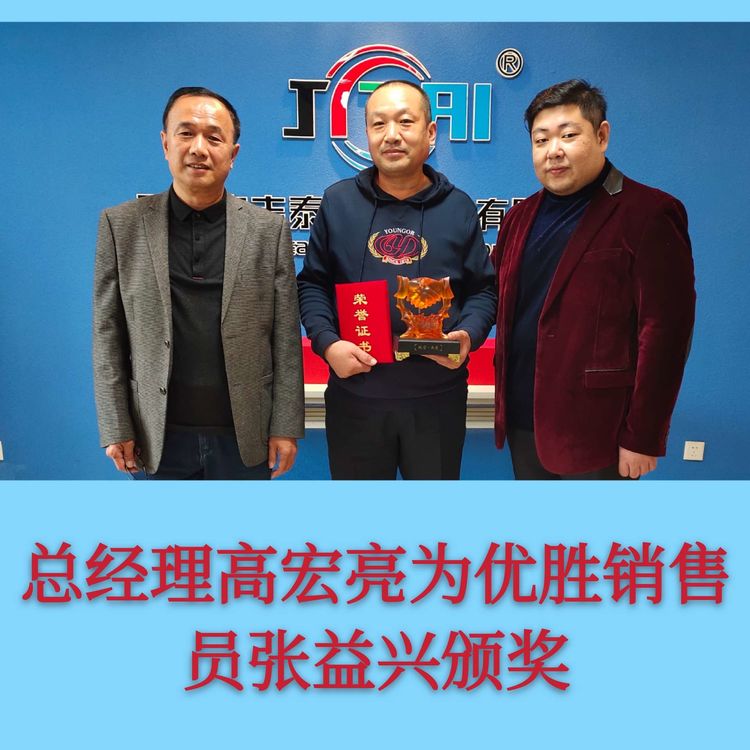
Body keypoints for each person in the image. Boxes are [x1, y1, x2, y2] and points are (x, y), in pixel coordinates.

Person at [93, 86, 304, 479]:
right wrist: (115, 425)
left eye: (213, 137)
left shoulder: (267, 230)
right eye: (186, 133)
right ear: (165, 143)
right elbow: (108, 335)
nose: (198, 148)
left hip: (245, 434)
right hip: (156, 435)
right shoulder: (121, 226)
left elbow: (286, 338)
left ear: (233, 154)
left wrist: (286, 425)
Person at [493, 79, 695, 479]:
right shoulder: (518, 218)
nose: (553, 150)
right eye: (541, 140)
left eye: (568, 135)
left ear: (601, 136)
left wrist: (643, 436)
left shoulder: (649, 213)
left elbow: (665, 335)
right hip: (523, 422)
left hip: (597, 431)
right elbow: (493, 296)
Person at [298, 80, 496, 480]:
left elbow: (483, 290)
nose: (391, 135)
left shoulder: (458, 207)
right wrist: (328, 343)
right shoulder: (337, 203)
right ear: (367, 134)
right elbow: (313, 284)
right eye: (378, 124)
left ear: (430, 132)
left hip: (437, 400)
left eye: (405, 122)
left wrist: (466, 337)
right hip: (355, 399)